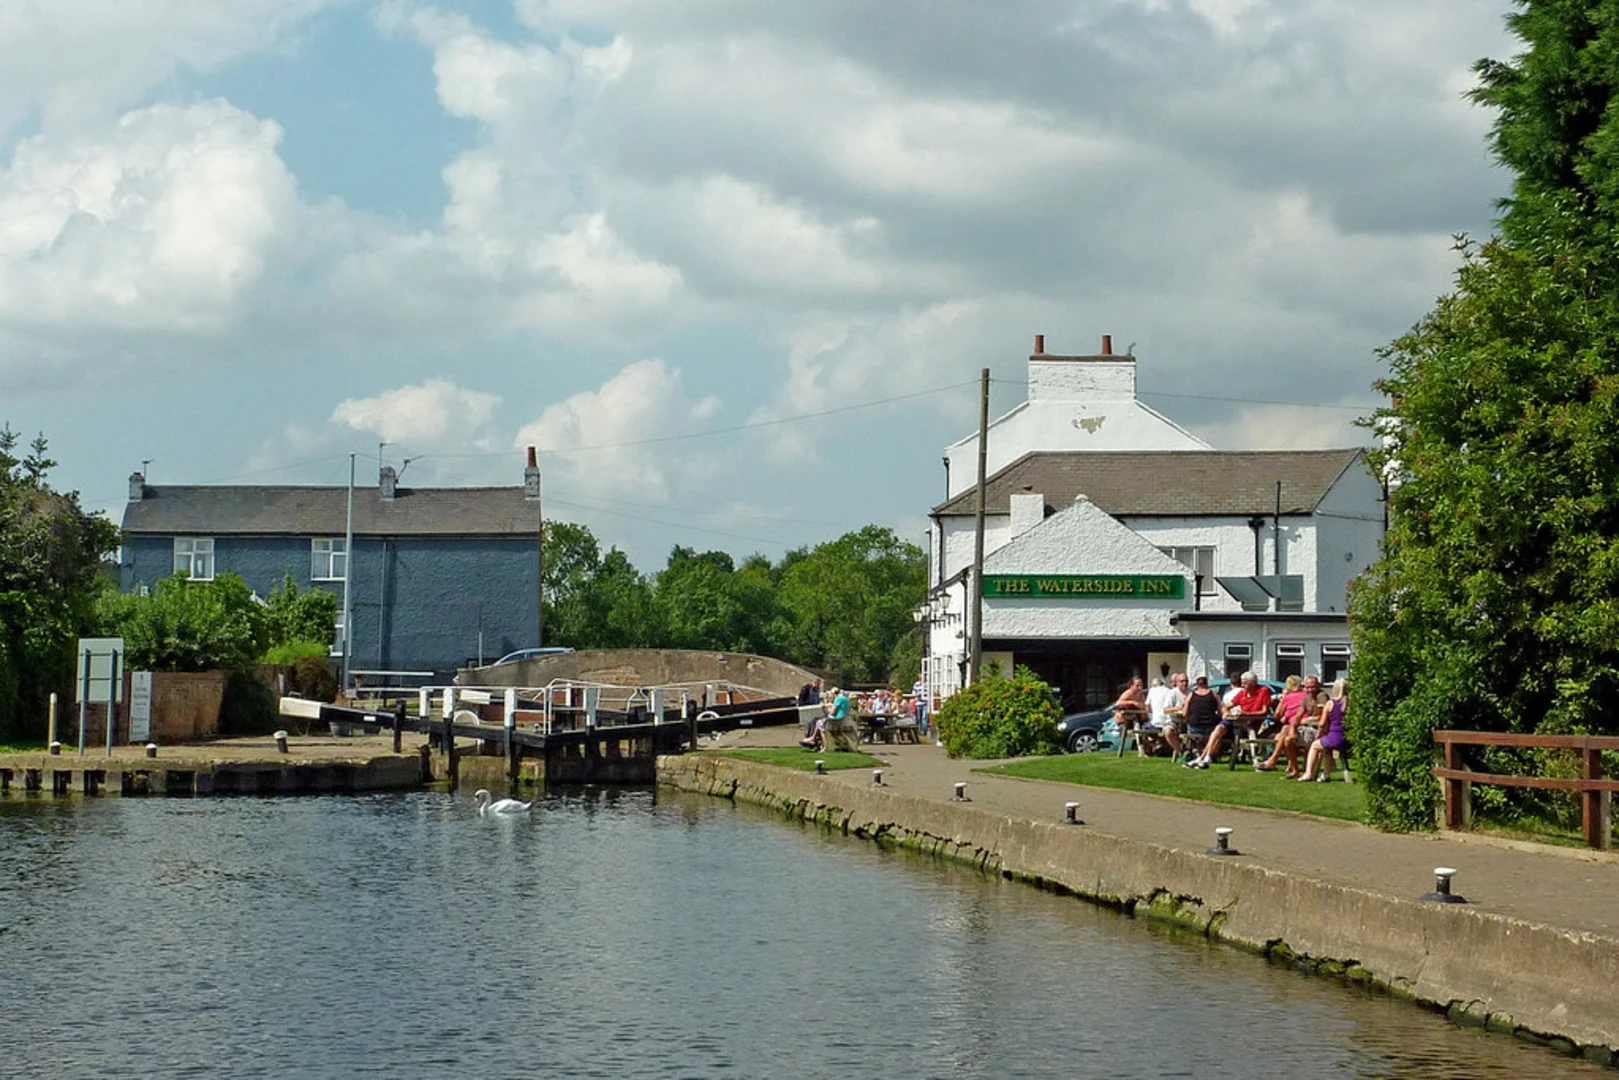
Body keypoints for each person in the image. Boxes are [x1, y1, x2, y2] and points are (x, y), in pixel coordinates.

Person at [1186, 672, 1271, 769]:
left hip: (1249, 726)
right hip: (1236, 722)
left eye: (1245, 683)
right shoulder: (1242, 693)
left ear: (1253, 683)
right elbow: (1226, 707)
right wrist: (1226, 712)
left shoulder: (1263, 691)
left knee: (1218, 731)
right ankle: (1206, 758)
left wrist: (1246, 714)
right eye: (1242, 683)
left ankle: (1202, 759)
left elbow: (1264, 711)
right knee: (1218, 729)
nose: (1242, 685)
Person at [1255, 675, 1308, 777]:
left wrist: (1283, 698)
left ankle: (1273, 760)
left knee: (1282, 732)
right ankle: (1288, 764)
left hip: (1297, 727)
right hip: (1301, 725)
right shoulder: (1306, 695)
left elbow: (1277, 714)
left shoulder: (1288, 697)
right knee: (1280, 736)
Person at [1300, 680, 1349, 782]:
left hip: (1335, 737)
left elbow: (1322, 724)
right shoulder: (1350, 703)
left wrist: (1319, 734)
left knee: (1314, 746)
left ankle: (1308, 773)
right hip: (1348, 738)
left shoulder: (1330, 703)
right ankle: (1326, 775)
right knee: (1326, 748)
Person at [1179, 675, 1223, 764]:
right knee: (1219, 731)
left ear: (1197, 685)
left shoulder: (1191, 695)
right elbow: (1220, 711)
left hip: (1195, 727)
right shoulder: (1214, 695)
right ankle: (1212, 754)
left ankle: (1198, 754)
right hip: (1210, 727)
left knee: (1191, 731)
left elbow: (1184, 713)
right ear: (1207, 684)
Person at [1143, 676, 1185, 757]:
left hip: (1157, 723)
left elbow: (1147, 708)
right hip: (1169, 721)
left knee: (1143, 727)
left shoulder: (1152, 691)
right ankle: (1162, 746)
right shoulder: (1169, 691)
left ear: (1154, 685)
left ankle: (1149, 750)